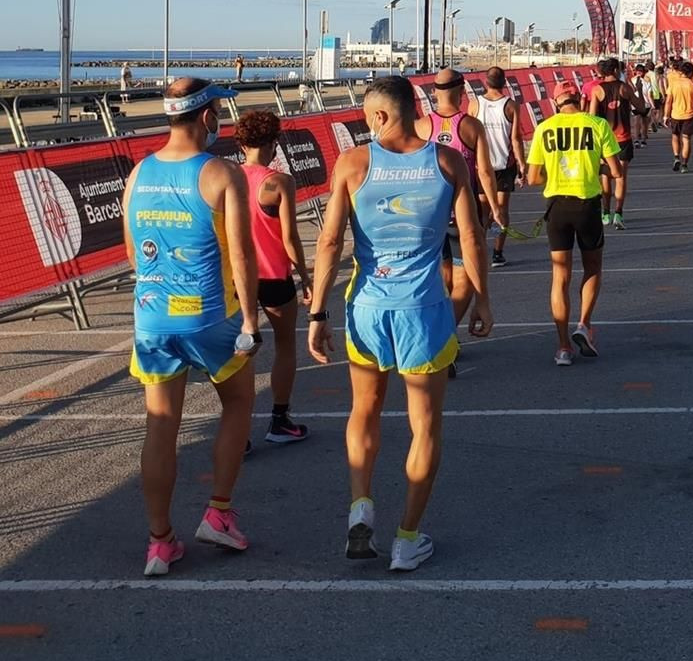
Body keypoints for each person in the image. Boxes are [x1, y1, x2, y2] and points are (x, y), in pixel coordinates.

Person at [312, 76, 490, 568]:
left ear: (379, 116)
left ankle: (360, 505)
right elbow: (471, 237)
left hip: (367, 307)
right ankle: (407, 539)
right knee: (424, 425)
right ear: (416, 109)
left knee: (364, 411)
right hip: (425, 309)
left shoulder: (353, 163)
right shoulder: (447, 161)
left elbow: (329, 243)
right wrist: (483, 300)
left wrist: (317, 312)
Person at [121, 79, 260, 576]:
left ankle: (160, 541)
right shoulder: (221, 173)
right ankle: (219, 512)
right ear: (206, 117)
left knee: (161, 426)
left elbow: (134, 254)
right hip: (207, 315)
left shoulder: (139, 173)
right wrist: (249, 316)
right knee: (240, 402)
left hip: (152, 314)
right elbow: (241, 253)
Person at [528, 81, 626, 364]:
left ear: (556, 101)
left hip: (557, 205)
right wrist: (595, 166)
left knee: (560, 276)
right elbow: (616, 171)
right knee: (593, 266)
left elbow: (533, 177)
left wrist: (556, 177)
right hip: (587, 203)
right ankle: (584, 324)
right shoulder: (596, 125)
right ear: (579, 100)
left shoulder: (544, 128)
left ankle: (562, 348)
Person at [235, 109, 311, 444]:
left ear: (242, 143)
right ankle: (279, 420)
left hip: (237, 280)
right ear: (274, 143)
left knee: (239, 354)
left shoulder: (226, 177)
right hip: (274, 276)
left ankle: (238, 432)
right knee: (284, 346)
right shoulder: (278, 182)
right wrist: (306, 276)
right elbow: (290, 237)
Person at [420, 70, 496, 357]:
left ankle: (441, 337)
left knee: (445, 281)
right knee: (463, 283)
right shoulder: (471, 126)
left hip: (429, 214)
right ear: (462, 90)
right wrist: (495, 207)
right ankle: (443, 339)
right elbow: (485, 173)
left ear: (434, 91)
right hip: (460, 214)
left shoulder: (421, 126)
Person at [585, 58, 646, 228]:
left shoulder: (597, 90)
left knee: (605, 176)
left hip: (604, 141)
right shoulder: (624, 87)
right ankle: (618, 213)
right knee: (621, 177)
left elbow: (591, 118)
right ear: (614, 70)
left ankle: (605, 212)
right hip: (623, 138)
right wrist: (639, 91)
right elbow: (640, 107)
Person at [474, 66, 525, 266]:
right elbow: (516, 139)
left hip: (481, 166)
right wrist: (522, 164)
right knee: (501, 209)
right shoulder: (511, 105)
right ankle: (497, 251)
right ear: (504, 82)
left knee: (484, 210)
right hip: (504, 164)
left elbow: (468, 136)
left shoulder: (474, 104)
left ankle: (480, 250)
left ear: (486, 82)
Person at [666, 58, 693, 172]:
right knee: (686, 139)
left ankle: (676, 157)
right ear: (691, 73)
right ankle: (684, 164)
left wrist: (666, 115)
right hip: (689, 115)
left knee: (675, 136)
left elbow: (668, 101)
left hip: (675, 114)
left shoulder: (673, 84)